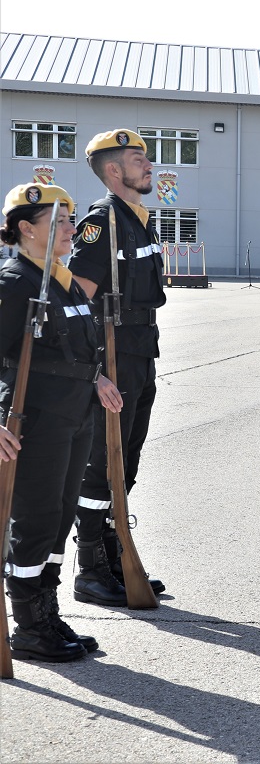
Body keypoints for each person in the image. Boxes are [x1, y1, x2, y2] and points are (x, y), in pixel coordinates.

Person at [1, 183, 123, 662]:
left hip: (75, 414)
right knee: (34, 520)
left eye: (71, 221)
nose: (72, 229)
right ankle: (28, 626)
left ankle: (47, 612)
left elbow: (72, 348)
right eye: (60, 223)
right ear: (27, 230)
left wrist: (97, 380)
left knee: (58, 518)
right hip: (35, 418)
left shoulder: (63, 280)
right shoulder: (15, 283)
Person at [68, 129, 167, 606]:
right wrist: (94, 372)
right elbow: (77, 302)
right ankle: (89, 567)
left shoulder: (138, 219)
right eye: (137, 158)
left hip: (140, 352)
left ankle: (115, 551)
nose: (149, 165)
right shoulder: (102, 221)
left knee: (124, 463)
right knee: (100, 466)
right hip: (111, 359)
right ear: (113, 171)